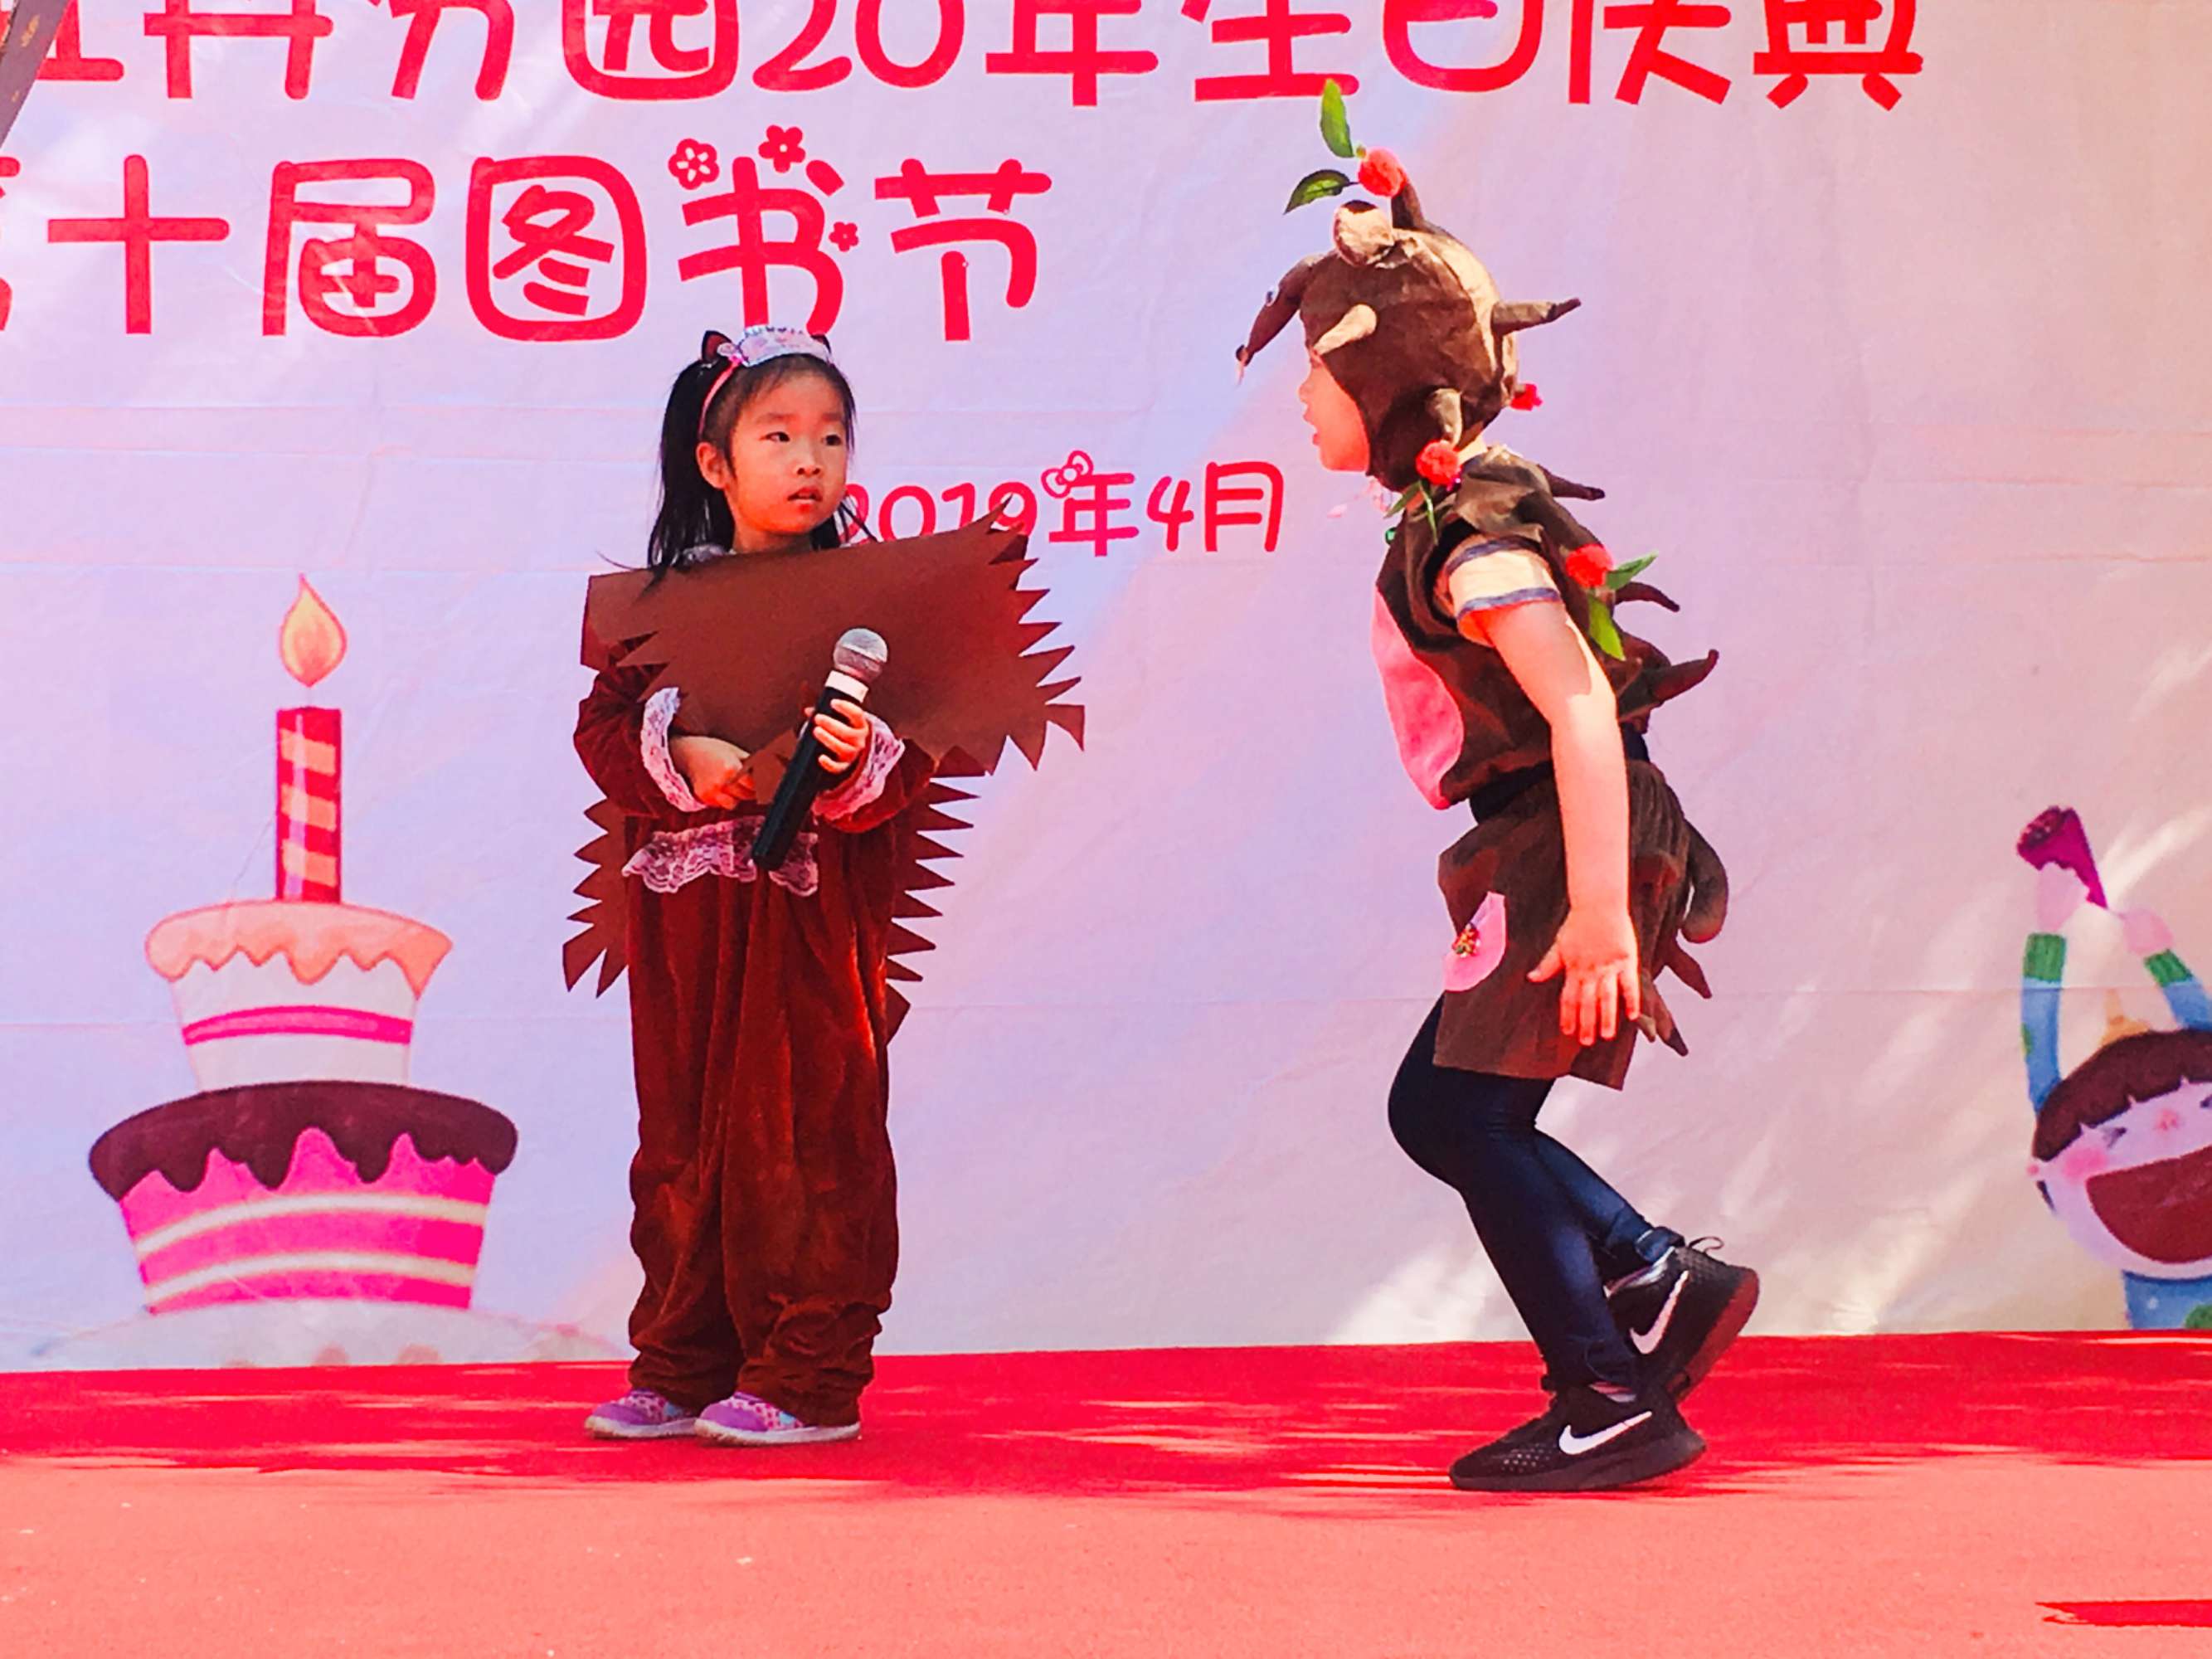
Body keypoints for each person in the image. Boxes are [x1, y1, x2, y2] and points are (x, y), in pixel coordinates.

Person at [1240, 93, 1758, 1491]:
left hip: (1564, 835)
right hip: (1536, 835)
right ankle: (1649, 1278)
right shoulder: (1441, 514)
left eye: (1317, 371)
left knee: (1459, 1115)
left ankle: (1611, 1389)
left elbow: (1580, 704)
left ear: (1388, 381)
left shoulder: (1474, 540)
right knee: (1447, 1111)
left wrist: (1597, 911)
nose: (1299, 396)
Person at [574, 326, 935, 1447]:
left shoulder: (876, 601)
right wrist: (678, 753)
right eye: (777, 437)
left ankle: (809, 1374)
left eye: (831, 437)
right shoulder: (656, 603)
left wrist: (855, 755)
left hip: (812, 911)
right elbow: (602, 731)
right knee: (683, 1135)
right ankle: (682, 1362)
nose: (809, 460)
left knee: (811, 1131)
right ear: (714, 463)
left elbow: (912, 757)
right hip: (688, 910)